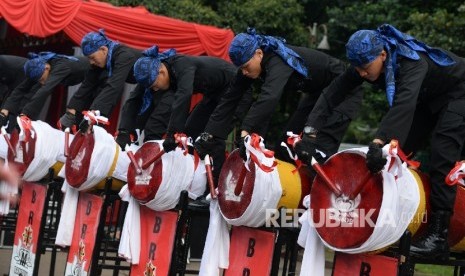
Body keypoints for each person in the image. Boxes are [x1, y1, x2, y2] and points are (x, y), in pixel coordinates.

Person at [299, 23, 465, 259]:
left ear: (383, 55)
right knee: (395, 154)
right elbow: (331, 94)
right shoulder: (364, 63)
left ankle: (439, 236)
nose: (362, 74)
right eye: (357, 69)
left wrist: (379, 141)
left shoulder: (412, 61)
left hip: (458, 94)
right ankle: (385, 217)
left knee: (441, 153)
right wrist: (309, 133)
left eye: (366, 68)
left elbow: (404, 103)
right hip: (429, 99)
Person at [194, 27, 362, 166]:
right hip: (317, 94)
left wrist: (247, 131)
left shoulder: (278, 59)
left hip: (344, 92)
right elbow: (230, 99)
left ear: (259, 53)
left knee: (316, 150)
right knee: (285, 145)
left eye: (245, 66)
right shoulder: (250, 65)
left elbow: (270, 97)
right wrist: (209, 134)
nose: (244, 72)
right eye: (241, 68)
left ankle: (322, 200)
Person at [127, 45, 252, 189]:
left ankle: (218, 187)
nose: (155, 89)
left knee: (211, 137)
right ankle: (194, 183)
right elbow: (143, 102)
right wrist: (128, 129)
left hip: (238, 95)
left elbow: (184, 96)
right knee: (189, 133)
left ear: (161, 71)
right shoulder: (168, 74)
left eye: (154, 85)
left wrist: (172, 133)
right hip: (215, 96)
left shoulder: (181, 64)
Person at [59, 29, 141, 131]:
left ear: (103, 50)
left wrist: (93, 114)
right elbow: (87, 85)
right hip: (141, 83)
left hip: (155, 84)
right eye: (89, 59)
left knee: (131, 109)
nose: (91, 62)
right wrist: (70, 112)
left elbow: (114, 86)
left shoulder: (124, 56)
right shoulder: (101, 61)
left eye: (92, 57)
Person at [1, 52, 89, 130]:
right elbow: (20, 89)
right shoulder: (39, 67)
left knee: (82, 116)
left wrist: (25, 115)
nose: (42, 82)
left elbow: (45, 90)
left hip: (94, 76)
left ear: (47, 68)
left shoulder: (60, 67)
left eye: (42, 79)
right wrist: (5, 110)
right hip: (84, 81)